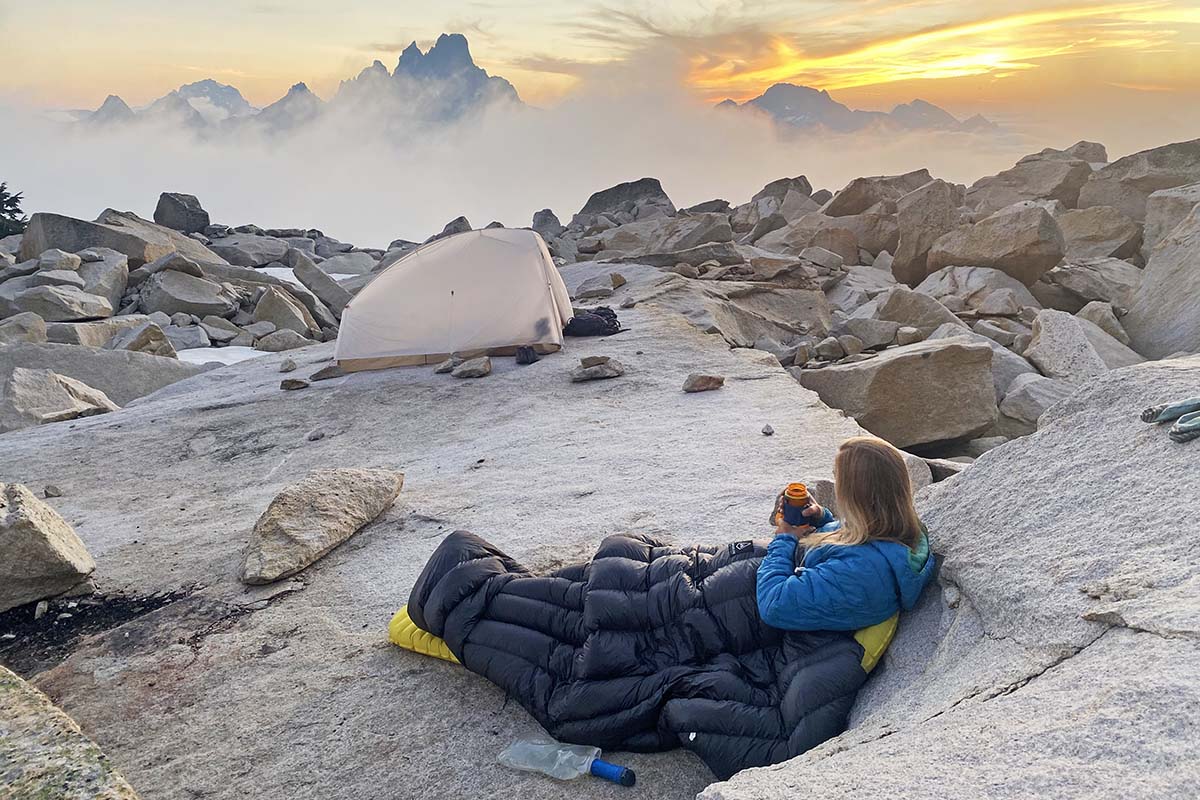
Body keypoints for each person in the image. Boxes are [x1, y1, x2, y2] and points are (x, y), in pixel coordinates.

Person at [756, 436, 935, 631]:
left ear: (857, 496)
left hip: (745, 614)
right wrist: (821, 518)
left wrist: (784, 539)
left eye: (839, 479)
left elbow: (774, 604)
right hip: (751, 586)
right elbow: (856, 542)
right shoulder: (889, 530)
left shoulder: (861, 573)